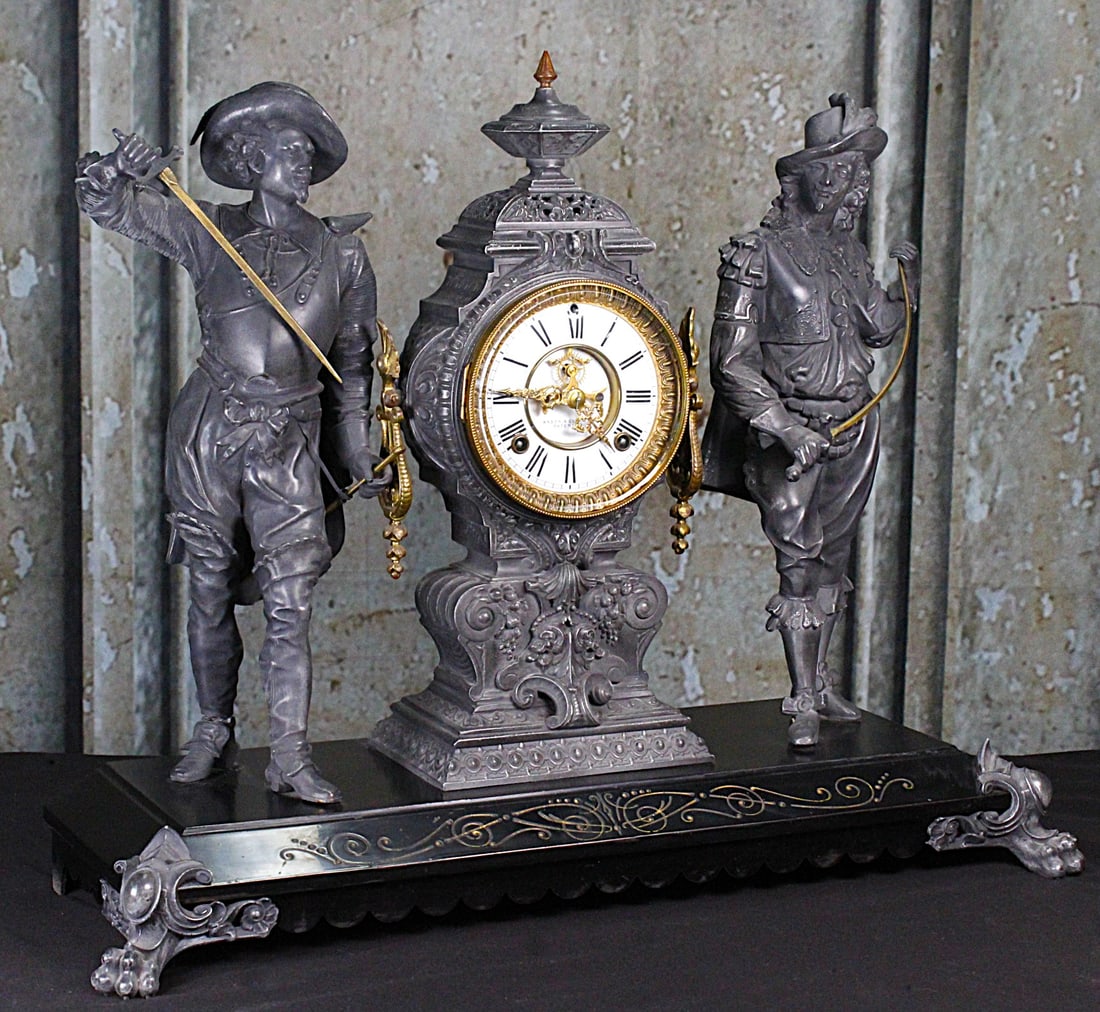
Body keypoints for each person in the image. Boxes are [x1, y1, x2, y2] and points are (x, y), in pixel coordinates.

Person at [76, 82, 389, 802]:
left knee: (290, 598)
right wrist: (116, 173)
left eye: (308, 153)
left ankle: (289, 754)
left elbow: (352, 367)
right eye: (287, 150)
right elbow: (110, 207)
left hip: (290, 438)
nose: (301, 163)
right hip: (209, 433)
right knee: (208, 586)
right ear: (250, 161)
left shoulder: (343, 254)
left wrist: (357, 447)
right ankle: (213, 728)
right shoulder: (205, 227)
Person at [702, 93, 920, 747]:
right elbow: (731, 360)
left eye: (856, 171)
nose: (851, 182)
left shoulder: (848, 256)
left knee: (834, 558)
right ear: (803, 177)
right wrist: (783, 425)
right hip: (791, 433)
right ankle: (799, 695)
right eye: (840, 168)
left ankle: (820, 683)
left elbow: (879, 329)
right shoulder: (754, 253)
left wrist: (907, 284)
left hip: (857, 424)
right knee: (797, 564)